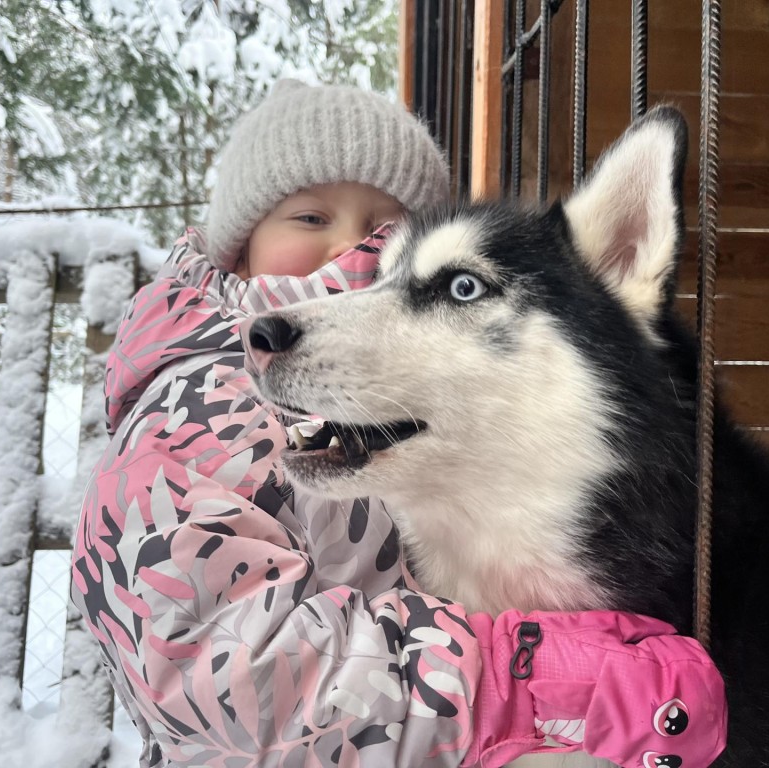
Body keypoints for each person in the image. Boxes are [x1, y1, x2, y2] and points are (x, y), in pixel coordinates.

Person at [71, 79, 727, 768]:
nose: (350, 245)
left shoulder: (376, 415)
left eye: (385, 229)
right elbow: (232, 672)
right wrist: (524, 682)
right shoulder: (187, 417)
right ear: (237, 250)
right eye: (310, 217)